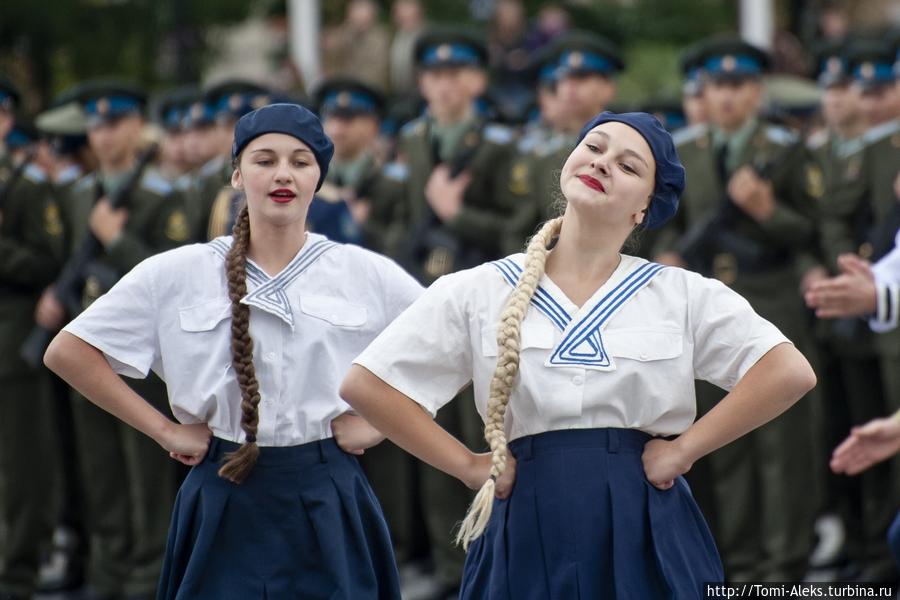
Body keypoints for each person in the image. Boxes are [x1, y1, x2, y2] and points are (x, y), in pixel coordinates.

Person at [341, 111, 817, 599]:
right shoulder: (476, 288)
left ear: (645, 208)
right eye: (594, 147)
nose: (604, 163)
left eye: (629, 167)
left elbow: (787, 371)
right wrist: (466, 465)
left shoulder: (681, 293)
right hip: (526, 510)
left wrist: (683, 450)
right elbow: (367, 385)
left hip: (643, 515)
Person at [44, 102, 420, 599]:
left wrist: (378, 425)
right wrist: (164, 431)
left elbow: (450, 351)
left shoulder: (363, 273)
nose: (282, 173)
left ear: (318, 179)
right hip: (223, 489)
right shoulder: (180, 272)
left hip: (327, 489)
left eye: (300, 161)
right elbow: (68, 350)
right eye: (264, 160)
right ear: (237, 175)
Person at [0, 74, 66, 600]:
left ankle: (16, 573)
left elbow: (50, 261)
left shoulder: (25, 188)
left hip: (12, 342)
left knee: (19, 467)